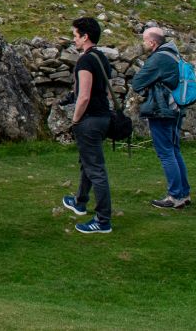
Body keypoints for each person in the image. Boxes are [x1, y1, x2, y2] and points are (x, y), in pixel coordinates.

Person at [61, 17, 115, 234]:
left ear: (85, 37)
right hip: (103, 117)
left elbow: (83, 96)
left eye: (75, 35)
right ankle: (80, 201)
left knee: (95, 169)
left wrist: (75, 120)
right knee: (88, 162)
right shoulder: (101, 58)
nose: (73, 39)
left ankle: (103, 220)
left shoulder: (85, 61)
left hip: (90, 119)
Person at [131, 27, 191, 209]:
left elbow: (137, 82)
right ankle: (184, 193)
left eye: (144, 40)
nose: (143, 44)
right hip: (176, 108)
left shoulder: (158, 58)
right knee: (174, 149)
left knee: (165, 152)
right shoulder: (174, 55)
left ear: (152, 42)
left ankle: (174, 197)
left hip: (163, 109)